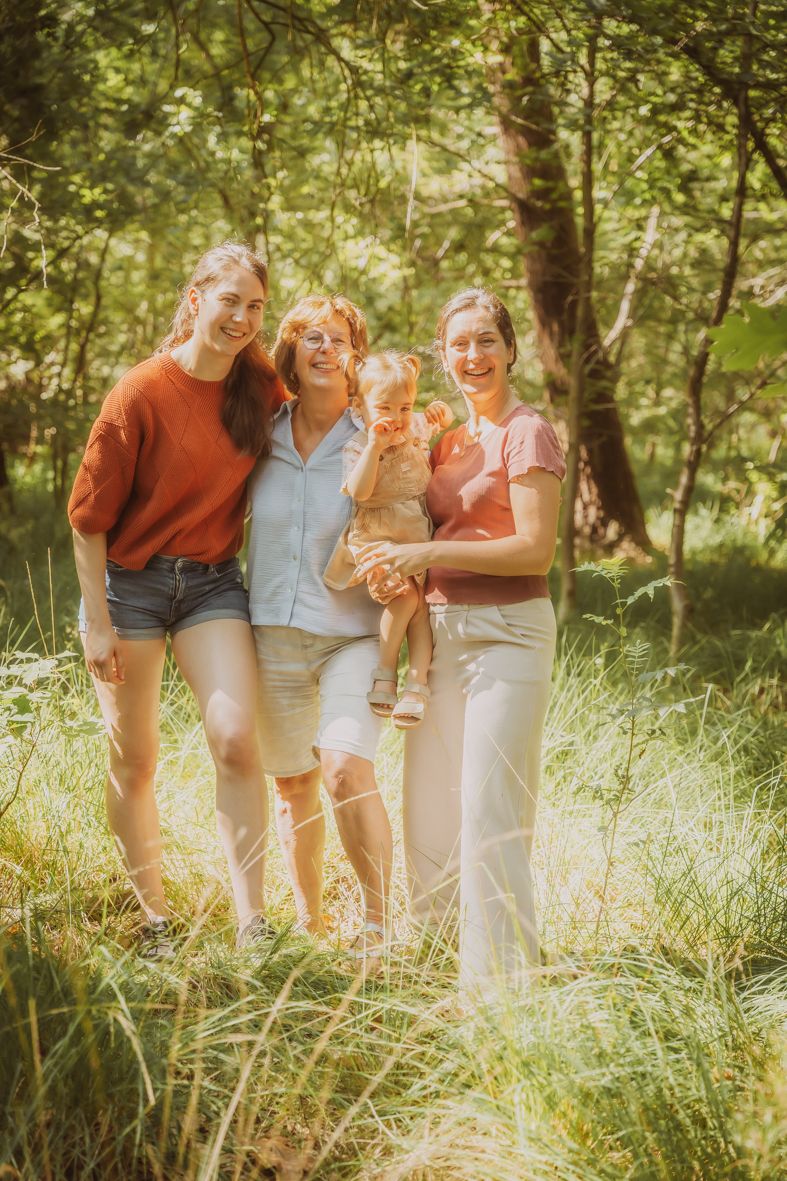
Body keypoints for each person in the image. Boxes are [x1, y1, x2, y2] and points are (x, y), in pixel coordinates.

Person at [67, 242, 286, 959]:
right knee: (135, 759)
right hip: (126, 586)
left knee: (236, 738)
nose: (242, 318)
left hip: (211, 582)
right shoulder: (139, 392)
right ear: (195, 299)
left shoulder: (259, 386)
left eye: (255, 306)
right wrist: (97, 623)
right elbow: (87, 519)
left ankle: (252, 924)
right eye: (229, 301)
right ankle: (154, 920)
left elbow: (320, 421)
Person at [356, 287, 566, 991]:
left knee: (489, 812)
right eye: (459, 344)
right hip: (439, 638)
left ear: (510, 349)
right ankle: (433, 972)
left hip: (509, 634)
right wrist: (389, 566)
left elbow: (535, 550)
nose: (472, 355)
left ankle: (499, 992)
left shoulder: (527, 432)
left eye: (485, 340)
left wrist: (427, 555)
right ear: (443, 357)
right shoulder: (447, 440)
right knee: (430, 813)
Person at [246, 296, 397, 963]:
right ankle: (310, 929)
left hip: (352, 634)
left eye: (338, 338)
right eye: (310, 337)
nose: (324, 348)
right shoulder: (259, 432)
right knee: (292, 785)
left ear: (356, 355)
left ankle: (377, 928)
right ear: (290, 352)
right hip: (270, 633)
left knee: (343, 767)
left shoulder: (376, 433)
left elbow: (415, 510)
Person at [323, 350, 453, 729]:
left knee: (421, 608)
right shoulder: (357, 445)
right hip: (378, 534)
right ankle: (385, 672)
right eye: (384, 408)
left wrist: (441, 414)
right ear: (359, 408)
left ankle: (417, 685)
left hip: (416, 531)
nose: (396, 418)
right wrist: (375, 448)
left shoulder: (414, 427)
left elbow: (438, 422)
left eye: (405, 407)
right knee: (405, 597)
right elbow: (360, 492)